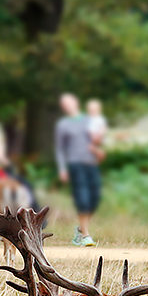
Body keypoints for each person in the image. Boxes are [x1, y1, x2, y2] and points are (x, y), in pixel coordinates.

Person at [55, 93, 101, 246]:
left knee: (95, 198)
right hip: (75, 163)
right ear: (63, 108)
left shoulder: (89, 120)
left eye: (69, 102)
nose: (68, 106)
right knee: (82, 197)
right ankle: (86, 236)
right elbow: (60, 149)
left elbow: (96, 139)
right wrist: (62, 168)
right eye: (64, 104)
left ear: (76, 102)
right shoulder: (63, 125)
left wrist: (97, 150)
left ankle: (81, 229)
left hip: (91, 162)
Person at [86, 98, 108, 163]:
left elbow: (103, 128)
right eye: (90, 110)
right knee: (90, 148)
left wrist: (100, 134)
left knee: (93, 148)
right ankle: (95, 160)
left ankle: (98, 159)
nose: (92, 111)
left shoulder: (100, 118)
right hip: (89, 136)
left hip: (97, 136)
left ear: (99, 110)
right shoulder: (87, 118)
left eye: (94, 109)